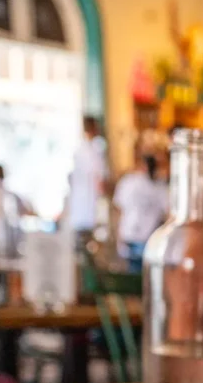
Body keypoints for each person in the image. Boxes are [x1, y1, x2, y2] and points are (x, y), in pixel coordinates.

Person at [112, 153, 169, 273]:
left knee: (133, 275)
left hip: (130, 236)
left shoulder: (128, 182)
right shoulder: (159, 186)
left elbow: (119, 210)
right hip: (148, 239)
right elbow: (168, 213)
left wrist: (118, 237)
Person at [68, 116, 108, 246]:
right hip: (89, 206)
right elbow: (99, 179)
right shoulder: (94, 150)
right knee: (91, 244)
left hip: (80, 207)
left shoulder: (79, 149)